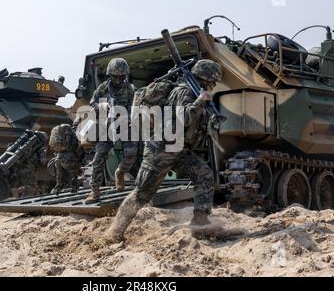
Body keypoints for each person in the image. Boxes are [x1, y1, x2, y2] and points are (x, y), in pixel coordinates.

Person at [104, 59, 223, 241]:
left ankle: (200, 221)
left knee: (203, 174)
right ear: (207, 79)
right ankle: (114, 232)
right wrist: (201, 101)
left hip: (179, 149)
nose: (214, 85)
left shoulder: (194, 92)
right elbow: (182, 117)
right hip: (160, 149)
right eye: (213, 81)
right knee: (142, 194)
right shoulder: (184, 92)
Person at [85, 58, 138, 204]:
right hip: (107, 126)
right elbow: (93, 103)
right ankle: (94, 191)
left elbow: (136, 106)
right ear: (110, 75)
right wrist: (101, 108)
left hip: (126, 125)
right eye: (116, 76)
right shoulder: (103, 88)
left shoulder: (130, 89)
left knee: (131, 154)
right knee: (98, 158)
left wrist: (129, 117)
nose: (119, 79)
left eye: (122, 76)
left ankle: (120, 172)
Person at [48, 123, 83, 195]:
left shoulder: (60, 134)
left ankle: (58, 188)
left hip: (58, 158)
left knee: (59, 175)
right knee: (74, 174)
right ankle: (74, 188)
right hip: (69, 157)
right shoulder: (73, 134)